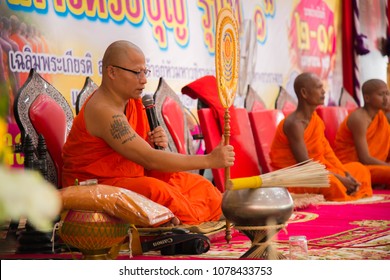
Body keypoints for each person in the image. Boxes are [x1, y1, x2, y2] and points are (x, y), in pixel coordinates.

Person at [62, 40, 235, 225]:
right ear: (112, 72)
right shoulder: (103, 110)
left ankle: (204, 215)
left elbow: (141, 155)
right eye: (137, 72)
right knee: (158, 191)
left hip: (128, 177)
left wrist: (149, 141)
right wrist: (209, 160)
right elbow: (149, 159)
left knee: (193, 183)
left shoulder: (132, 102)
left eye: (145, 72)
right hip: (96, 187)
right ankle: (193, 222)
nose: (144, 79)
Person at [269, 72, 372, 201]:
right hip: (296, 177)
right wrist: (340, 178)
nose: (323, 92)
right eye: (318, 88)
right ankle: (345, 193)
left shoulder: (315, 119)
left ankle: (347, 188)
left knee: (360, 169)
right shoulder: (294, 124)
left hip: (320, 172)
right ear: (304, 93)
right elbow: (305, 165)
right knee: (332, 182)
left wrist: (345, 173)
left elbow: (327, 153)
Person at [333, 79, 390, 187]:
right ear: (367, 98)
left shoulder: (381, 117)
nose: (386, 98)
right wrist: (387, 166)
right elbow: (364, 158)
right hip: (354, 167)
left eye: (387, 94)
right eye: (381, 94)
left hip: (373, 166)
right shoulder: (359, 118)